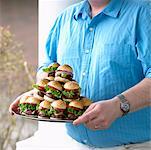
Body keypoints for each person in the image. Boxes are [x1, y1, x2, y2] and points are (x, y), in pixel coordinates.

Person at [9, 0, 151, 148]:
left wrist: (119, 105)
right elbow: (48, 65)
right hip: (74, 144)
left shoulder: (144, 12)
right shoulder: (65, 18)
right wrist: (44, 92)